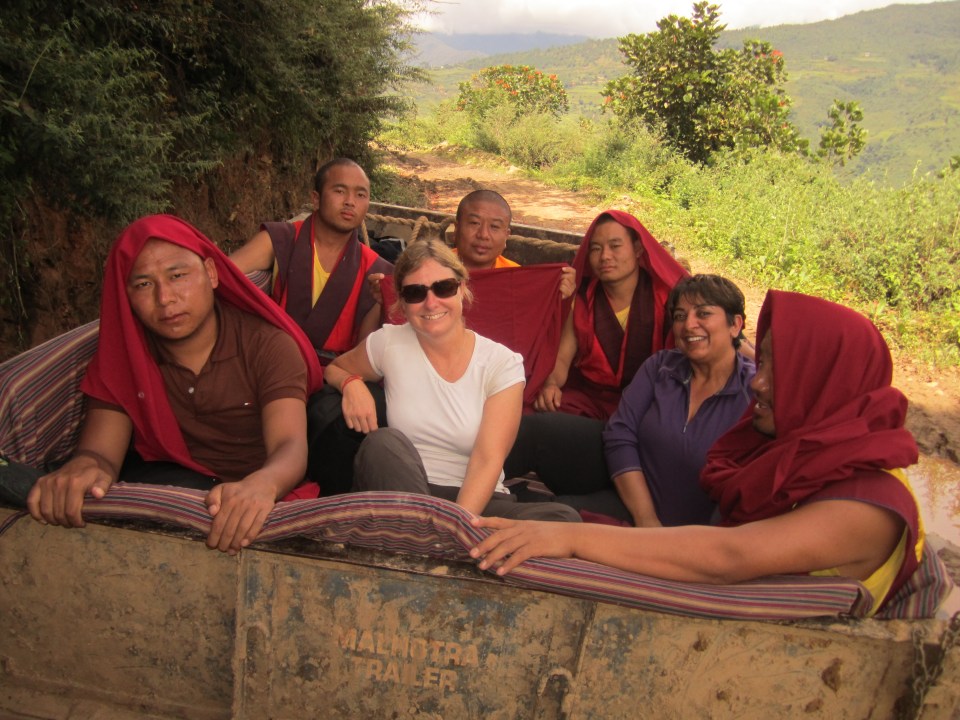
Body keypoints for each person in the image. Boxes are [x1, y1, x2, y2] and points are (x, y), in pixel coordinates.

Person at [472, 290, 925, 616]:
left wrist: (571, 539)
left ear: (824, 381)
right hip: (652, 513)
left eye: (776, 368)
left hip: (719, 600)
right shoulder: (794, 445)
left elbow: (729, 556)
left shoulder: (867, 507)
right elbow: (620, 433)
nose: (759, 382)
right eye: (762, 363)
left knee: (554, 524)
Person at [23, 214, 323, 555]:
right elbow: (100, 453)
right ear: (125, 295)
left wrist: (263, 485)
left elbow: (289, 445)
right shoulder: (126, 356)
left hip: (264, 489)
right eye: (143, 284)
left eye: (177, 276)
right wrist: (84, 467)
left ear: (211, 273)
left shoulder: (267, 345)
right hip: (177, 488)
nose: (165, 298)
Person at [326, 239, 580, 522]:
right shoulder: (388, 342)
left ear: (462, 288)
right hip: (406, 488)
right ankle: (429, 537)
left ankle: (425, 539)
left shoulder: (501, 363)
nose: (430, 302)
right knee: (382, 444)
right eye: (415, 293)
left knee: (563, 518)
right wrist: (351, 383)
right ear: (402, 302)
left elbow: (488, 459)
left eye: (443, 287)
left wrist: (457, 524)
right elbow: (335, 368)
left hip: (474, 501)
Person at [506, 274, 755, 527]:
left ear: (735, 325)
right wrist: (646, 518)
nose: (689, 325)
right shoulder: (662, 366)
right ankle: (479, 482)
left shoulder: (755, 394)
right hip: (629, 486)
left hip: (684, 524)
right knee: (537, 430)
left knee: (553, 516)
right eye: (680, 316)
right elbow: (620, 432)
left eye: (703, 314)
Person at [230, 157, 392, 363]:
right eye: (340, 191)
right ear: (316, 199)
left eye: (360, 195)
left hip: (334, 373)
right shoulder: (281, 239)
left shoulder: (377, 270)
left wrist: (382, 303)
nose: (350, 201)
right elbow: (222, 274)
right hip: (272, 361)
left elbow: (367, 351)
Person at [534, 210, 689, 420]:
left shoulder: (665, 297)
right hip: (592, 402)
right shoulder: (582, 300)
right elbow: (562, 358)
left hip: (650, 402)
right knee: (538, 417)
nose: (605, 256)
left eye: (615, 246)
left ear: (637, 249)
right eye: (596, 248)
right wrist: (551, 385)